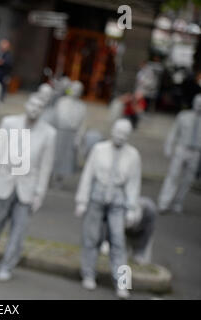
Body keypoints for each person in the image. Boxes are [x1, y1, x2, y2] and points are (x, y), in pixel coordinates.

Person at [0, 93, 56, 281]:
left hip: (27, 188)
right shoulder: (9, 123)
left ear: (43, 111)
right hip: (4, 181)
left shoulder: (49, 133)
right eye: (32, 104)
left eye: (39, 107)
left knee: (19, 231)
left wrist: (39, 194)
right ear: (26, 105)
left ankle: (7, 265)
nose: (34, 109)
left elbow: (45, 167)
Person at [75, 119, 141, 299]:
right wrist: (82, 200)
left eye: (124, 134)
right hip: (97, 197)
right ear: (112, 131)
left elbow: (133, 184)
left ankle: (122, 283)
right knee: (92, 237)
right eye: (117, 132)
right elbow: (88, 175)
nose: (120, 137)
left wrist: (131, 208)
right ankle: (88, 274)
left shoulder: (133, 155)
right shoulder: (99, 149)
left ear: (128, 136)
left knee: (118, 241)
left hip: (117, 202)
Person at [157, 94, 201, 214]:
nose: (199, 106)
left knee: (188, 179)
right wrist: (168, 146)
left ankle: (178, 202)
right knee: (173, 175)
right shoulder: (184, 116)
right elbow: (173, 132)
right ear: (193, 103)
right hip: (182, 148)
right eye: (197, 103)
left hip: (196, 152)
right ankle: (163, 202)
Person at [100, 196, 157, 266]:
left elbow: (146, 236)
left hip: (142, 233)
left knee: (140, 259)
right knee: (120, 256)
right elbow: (111, 226)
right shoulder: (120, 208)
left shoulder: (149, 212)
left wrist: (139, 253)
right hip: (125, 232)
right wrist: (107, 241)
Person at [51, 81, 87, 188]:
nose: (75, 92)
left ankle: (59, 179)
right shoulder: (61, 102)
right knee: (54, 155)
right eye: (74, 89)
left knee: (66, 159)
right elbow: (54, 118)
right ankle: (48, 177)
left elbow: (82, 124)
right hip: (59, 131)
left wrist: (79, 137)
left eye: (78, 90)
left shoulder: (81, 106)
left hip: (72, 134)